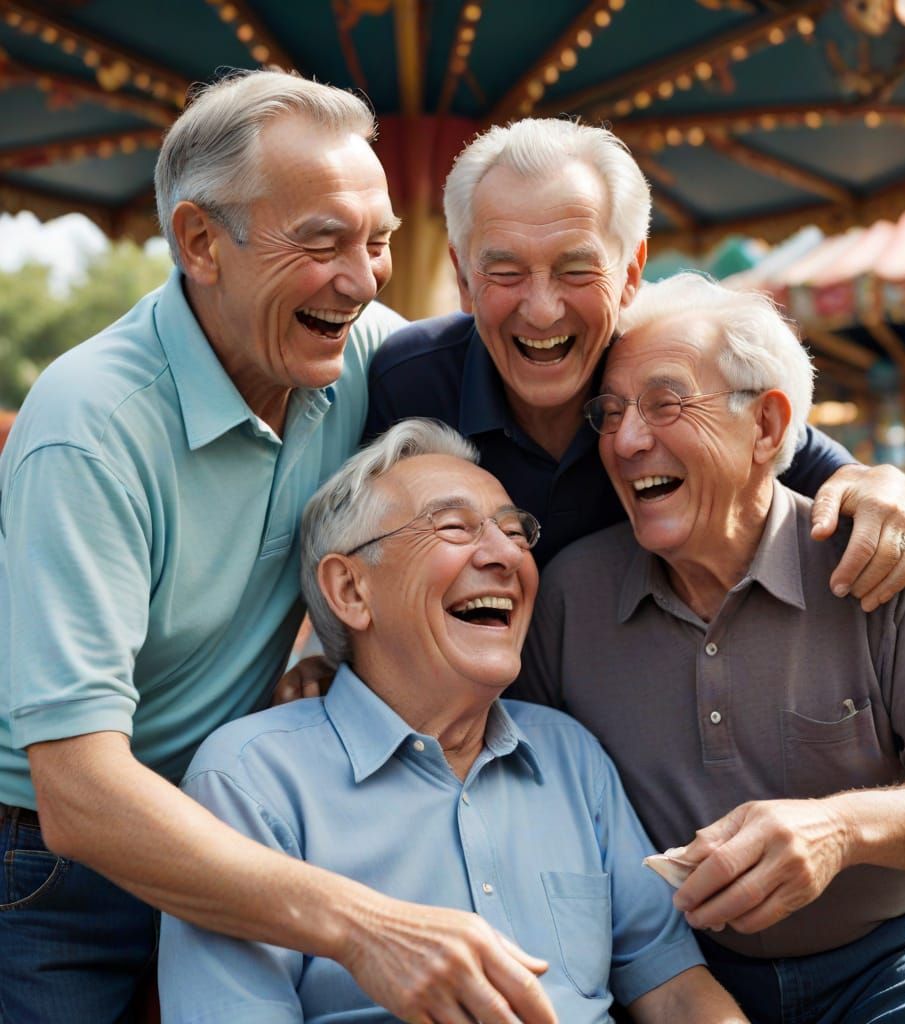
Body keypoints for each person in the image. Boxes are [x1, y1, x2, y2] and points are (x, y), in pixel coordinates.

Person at [0, 70, 555, 1024]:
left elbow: (591, 362)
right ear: (200, 243)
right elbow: (79, 794)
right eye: (323, 242)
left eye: (377, 241)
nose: (365, 279)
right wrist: (366, 927)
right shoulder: (91, 425)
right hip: (55, 868)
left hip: (237, 812)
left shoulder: (365, 353)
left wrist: (818, 470)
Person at [514, 272, 905, 1023]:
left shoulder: (873, 561)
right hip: (661, 974)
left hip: (891, 960)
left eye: (665, 403)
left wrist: (840, 831)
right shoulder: (568, 594)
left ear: (765, 425)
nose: (624, 441)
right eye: (610, 413)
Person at [158, 419, 749, 1024]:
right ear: (351, 590)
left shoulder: (569, 754)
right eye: (453, 528)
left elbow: (672, 984)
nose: (506, 555)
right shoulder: (250, 780)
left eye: (515, 532)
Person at [364, 118, 905, 595]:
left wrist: (883, 484)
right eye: (506, 272)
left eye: (576, 269)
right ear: (464, 278)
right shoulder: (408, 382)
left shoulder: (660, 367)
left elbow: (806, 457)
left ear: (631, 273)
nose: (541, 311)